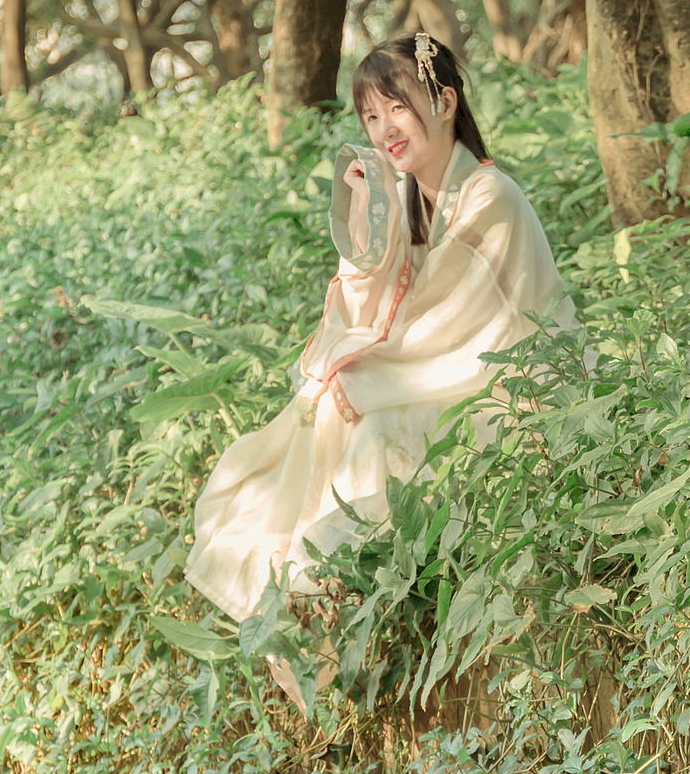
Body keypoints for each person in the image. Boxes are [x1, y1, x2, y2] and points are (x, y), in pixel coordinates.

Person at [185, 32, 578, 626]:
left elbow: (455, 320)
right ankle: (305, 600)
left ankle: (334, 597)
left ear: (444, 102)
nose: (384, 129)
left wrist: (365, 372)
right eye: (371, 116)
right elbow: (367, 307)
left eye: (397, 107)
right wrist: (371, 223)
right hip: (443, 371)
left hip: (514, 383)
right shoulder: (403, 195)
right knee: (322, 412)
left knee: (368, 423)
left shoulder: (490, 195)